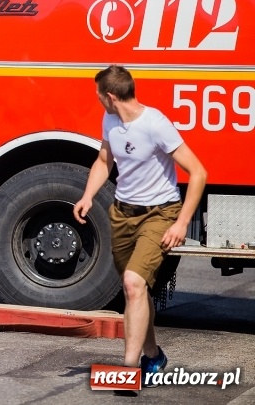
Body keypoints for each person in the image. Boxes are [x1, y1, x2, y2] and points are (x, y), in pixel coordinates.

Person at [72, 65, 206, 385]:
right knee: (136, 291)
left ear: (110, 96)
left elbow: (198, 172)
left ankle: (128, 370)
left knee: (133, 283)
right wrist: (88, 195)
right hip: (122, 214)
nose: (97, 100)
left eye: (98, 95)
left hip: (159, 214)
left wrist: (182, 223)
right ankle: (154, 356)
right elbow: (105, 160)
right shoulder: (111, 120)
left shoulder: (155, 124)